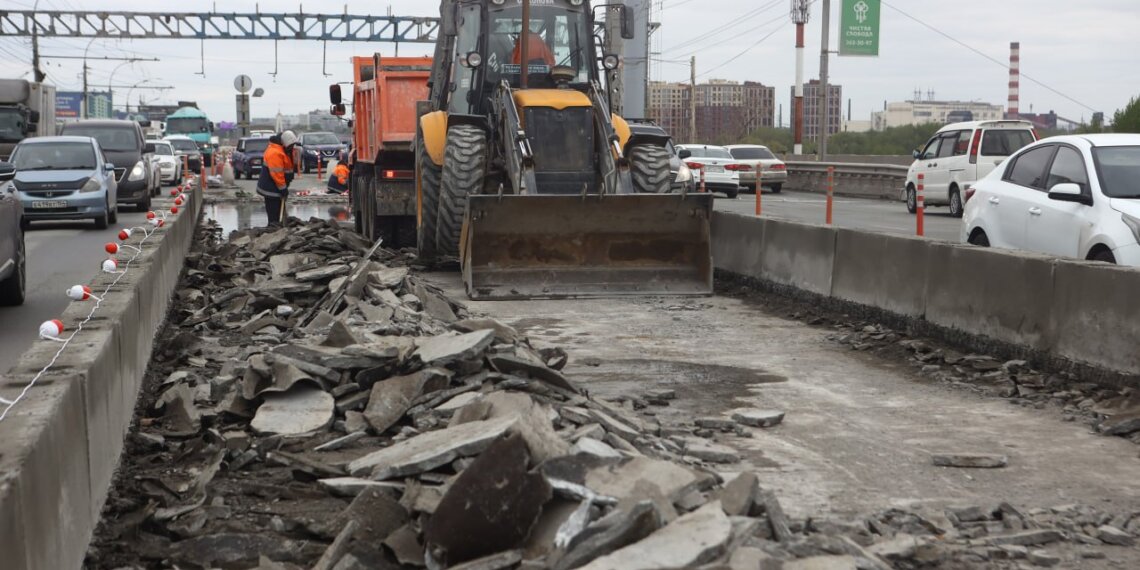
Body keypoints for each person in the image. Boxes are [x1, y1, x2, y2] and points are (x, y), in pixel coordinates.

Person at [256, 130, 297, 225]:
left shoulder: (283, 150)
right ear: (284, 143)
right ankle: (273, 230)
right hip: (271, 189)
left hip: (276, 187)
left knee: (279, 212)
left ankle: (278, 227)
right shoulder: (275, 152)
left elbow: (287, 169)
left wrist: (287, 182)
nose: (292, 148)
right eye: (290, 146)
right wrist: (283, 190)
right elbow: (277, 175)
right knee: (274, 215)